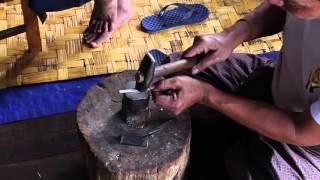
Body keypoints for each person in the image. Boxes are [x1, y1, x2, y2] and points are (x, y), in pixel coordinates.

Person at [151, 0, 320, 179]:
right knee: (176, 75)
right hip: (275, 81)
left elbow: (299, 129)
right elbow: (279, 9)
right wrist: (232, 35)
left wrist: (206, 95)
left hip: (304, 144)